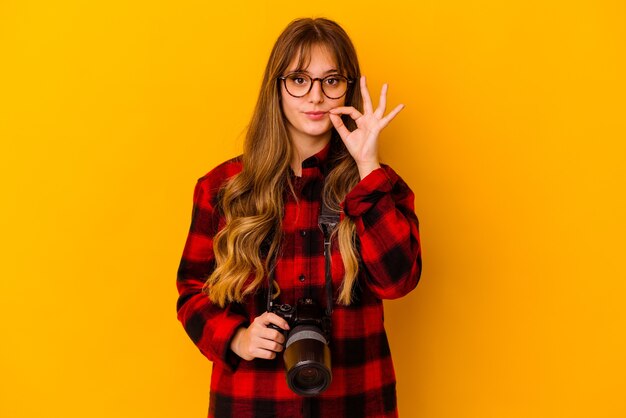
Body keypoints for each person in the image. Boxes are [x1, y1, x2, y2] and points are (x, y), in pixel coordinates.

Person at [176, 17, 422, 418]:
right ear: (277, 87)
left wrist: (367, 167)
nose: (316, 96)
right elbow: (191, 291)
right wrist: (236, 338)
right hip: (253, 402)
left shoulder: (378, 185)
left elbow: (399, 282)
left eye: (331, 80)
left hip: (355, 401)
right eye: (299, 79)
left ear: (348, 88)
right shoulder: (223, 188)